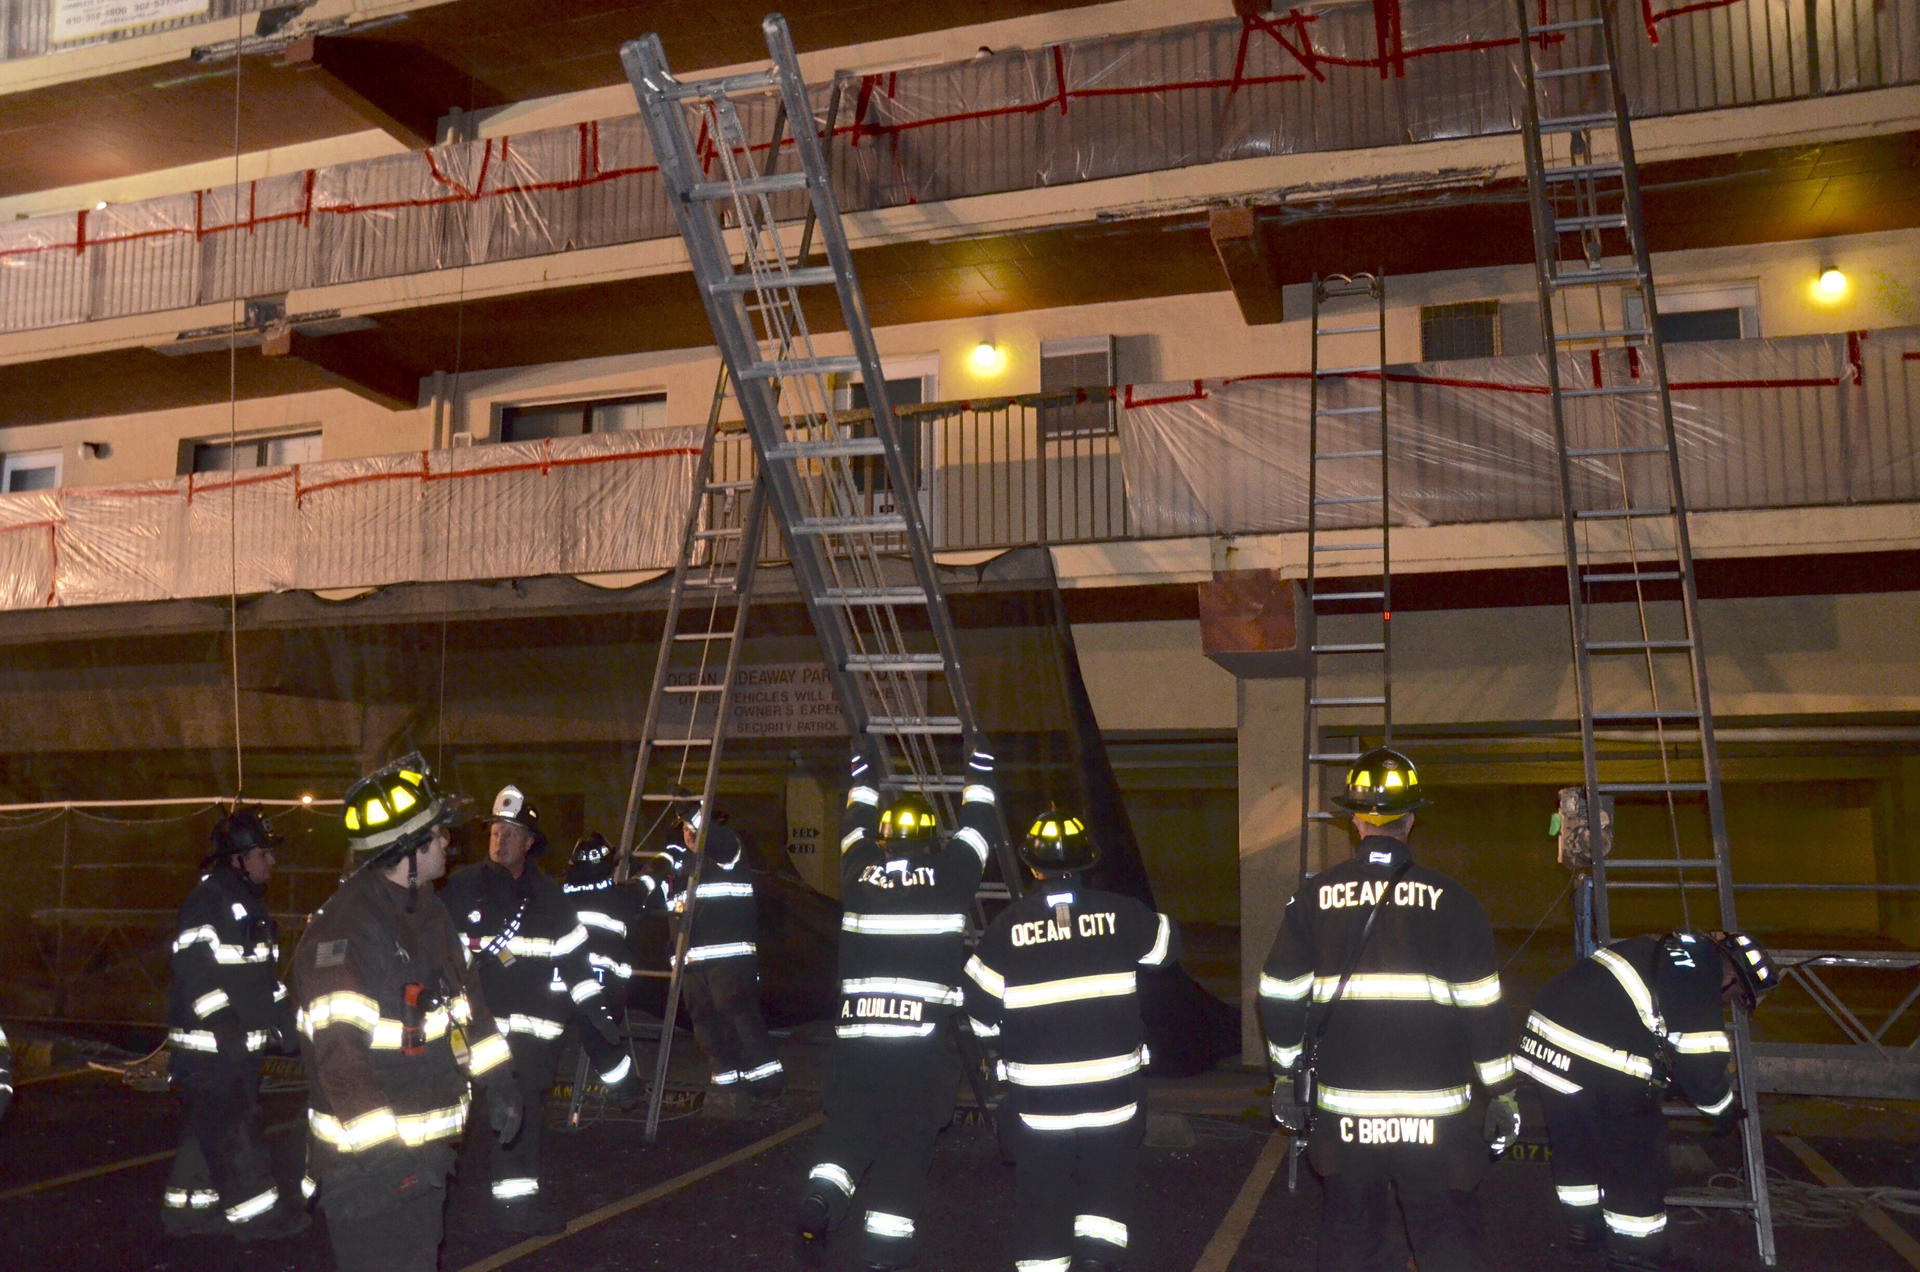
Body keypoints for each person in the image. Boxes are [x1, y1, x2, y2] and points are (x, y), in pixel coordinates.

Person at [1259, 747, 1518, 1272]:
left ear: (1356, 820)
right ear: (1411, 820)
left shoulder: (1313, 899)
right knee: (1448, 1243)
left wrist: (1286, 1079)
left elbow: (1280, 995)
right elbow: (1483, 1011)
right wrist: (1503, 1095)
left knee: (1352, 1242)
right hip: (1436, 1119)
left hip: (1347, 1116)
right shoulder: (1454, 902)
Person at [294, 755, 520, 1272]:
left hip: (425, 1160)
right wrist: (386, 1158)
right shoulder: (347, 930)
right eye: (438, 835)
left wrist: (500, 1080)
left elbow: (466, 1008)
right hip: (366, 1173)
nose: (448, 842)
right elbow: (339, 1060)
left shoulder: (429, 912)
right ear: (408, 852)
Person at [797, 750, 996, 1269]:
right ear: (932, 840)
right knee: (905, 1148)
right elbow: (978, 831)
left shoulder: (857, 872)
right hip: (918, 1049)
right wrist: (978, 775)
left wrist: (861, 778)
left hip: (856, 1043)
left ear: (885, 840)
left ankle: (821, 1200)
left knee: (848, 1130)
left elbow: (852, 826)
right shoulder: (951, 875)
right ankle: (882, 1254)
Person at [965, 804, 1178, 1272]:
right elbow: (1167, 947)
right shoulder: (1123, 913)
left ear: (1032, 866)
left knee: (1042, 1198)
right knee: (1107, 1188)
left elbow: (978, 1011)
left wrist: (999, 1052)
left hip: (1039, 1103)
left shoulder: (1004, 928)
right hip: (1114, 1094)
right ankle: (1098, 1262)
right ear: (1088, 862)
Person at [1518, 929, 1778, 1271]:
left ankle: (1585, 1230)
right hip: (1594, 1062)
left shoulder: (1666, 948)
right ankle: (1636, 1254)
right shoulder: (1702, 973)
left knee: (1574, 1144)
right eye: (1739, 996)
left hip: (1543, 1049)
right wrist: (1723, 1111)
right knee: (1638, 1158)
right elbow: (1700, 1062)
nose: (1732, 1003)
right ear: (1731, 977)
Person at [443, 784, 630, 1232]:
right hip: (473, 1034)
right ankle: (446, 1212)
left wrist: (599, 1018)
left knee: (519, 1123)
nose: (499, 839)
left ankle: (515, 1214)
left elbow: (576, 965)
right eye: (495, 831)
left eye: (511, 832)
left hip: (531, 1044)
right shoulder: (462, 888)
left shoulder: (550, 898)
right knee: (450, 1123)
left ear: (529, 841)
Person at [162, 805, 308, 1241]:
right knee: (237, 1132)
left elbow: (264, 983)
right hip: (211, 1052)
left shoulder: (250, 908)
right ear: (237, 859)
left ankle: (185, 1212)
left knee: (207, 1133)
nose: (273, 861)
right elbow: (193, 969)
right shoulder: (209, 902)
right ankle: (258, 1219)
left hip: (233, 1052)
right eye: (264, 853)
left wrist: (289, 1025)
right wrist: (224, 1024)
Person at [656, 798, 784, 1103]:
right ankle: (727, 1085)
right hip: (692, 965)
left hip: (728, 961)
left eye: (695, 827)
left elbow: (719, 842)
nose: (690, 834)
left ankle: (766, 1086)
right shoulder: (680, 867)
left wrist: (693, 815)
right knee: (705, 1026)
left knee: (739, 1018)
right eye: (686, 828)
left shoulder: (729, 853)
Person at [562, 832, 644, 1107]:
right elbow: (646, 886)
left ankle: (625, 1087)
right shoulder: (619, 896)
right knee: (598, 1038)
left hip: (560, 984)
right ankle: (627, 1087)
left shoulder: (559, 897)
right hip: (604, 987)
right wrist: (664, 862)